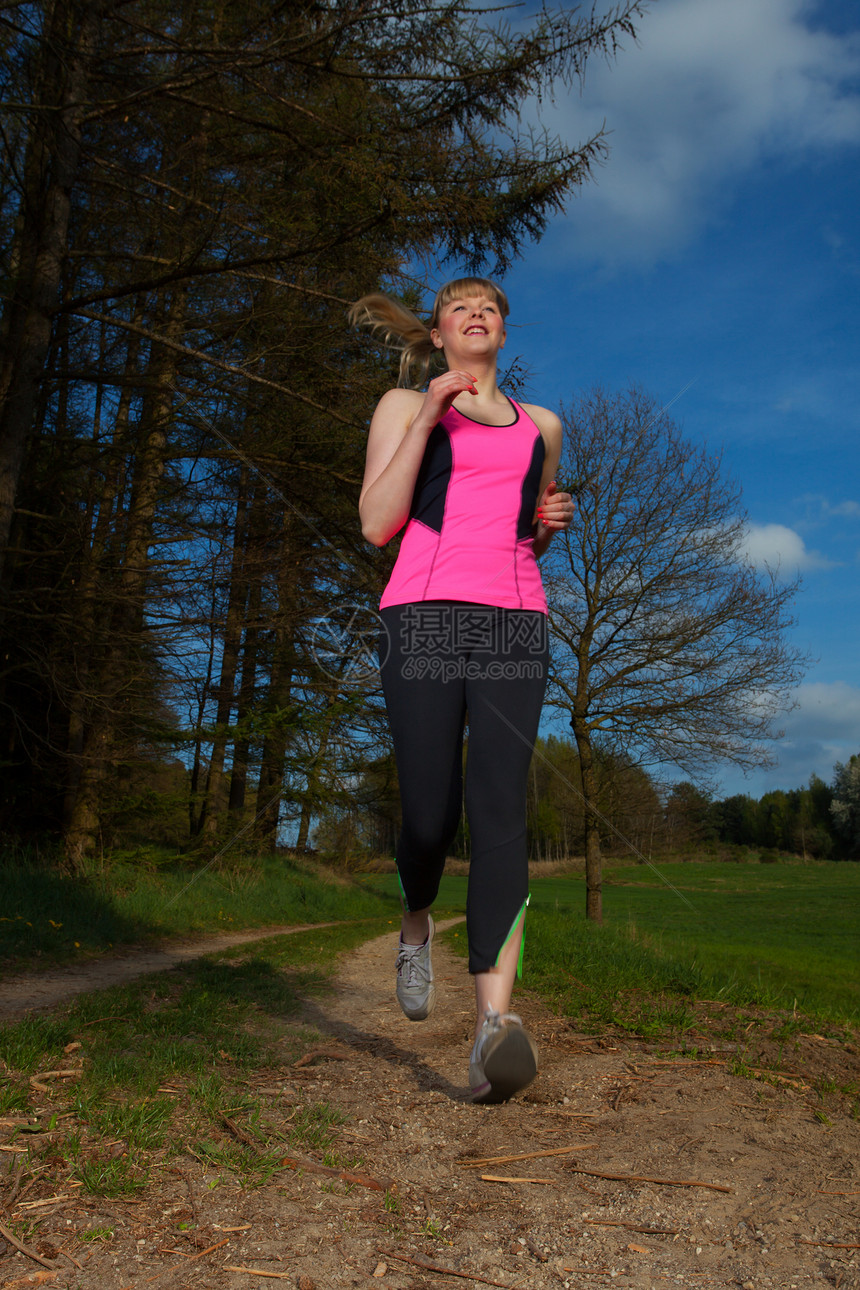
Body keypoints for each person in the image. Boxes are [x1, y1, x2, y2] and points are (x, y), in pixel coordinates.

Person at [352, 278, 573, 1103]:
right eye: (458, 308)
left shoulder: (542, 427)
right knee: (428, 815)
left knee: (500, 807)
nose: (476, 314)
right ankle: (416, 920)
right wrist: (429, 411)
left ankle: (492, 1029)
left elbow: (525, 538)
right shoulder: (401, 405)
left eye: (490, 307)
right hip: (423, 614)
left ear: (503, 333)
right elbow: (378, 523)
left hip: (516, 620)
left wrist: (548, 528)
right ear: (439, 335)